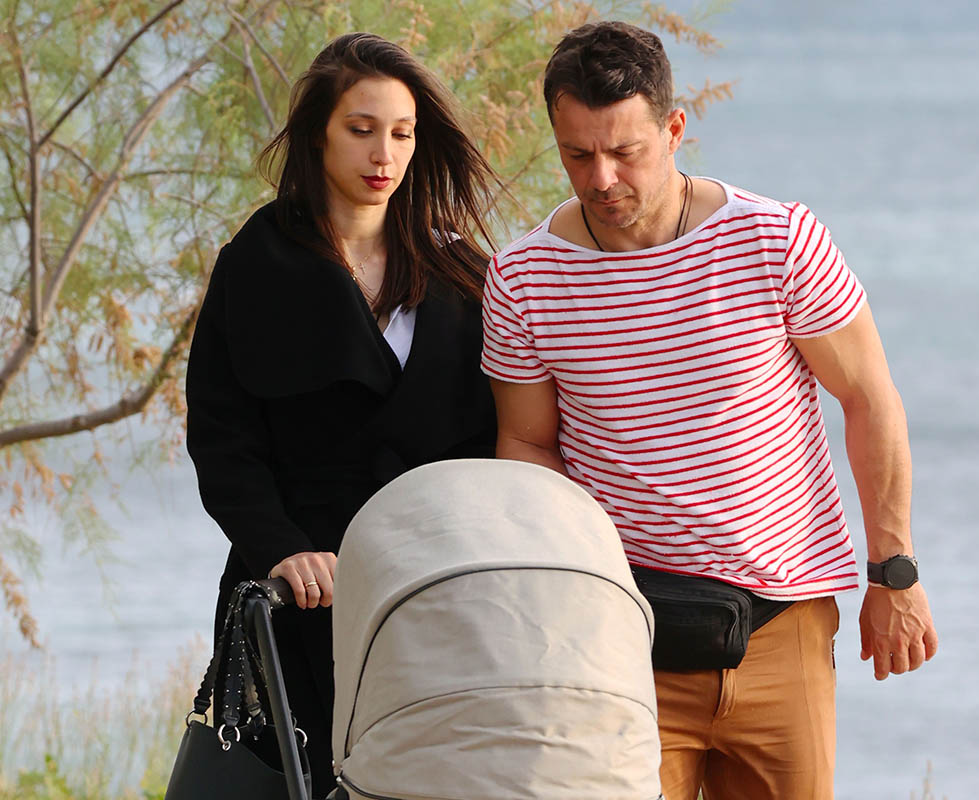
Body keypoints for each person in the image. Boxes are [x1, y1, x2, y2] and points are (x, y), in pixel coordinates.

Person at [481, 20, 938, 800]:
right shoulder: (524, 278)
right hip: (621, 637)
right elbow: (526, 446)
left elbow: (869, 397)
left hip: (782, 630)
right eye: (577, 154)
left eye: (624, 151)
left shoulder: (776, 240)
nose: (600, 178)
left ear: (674, 129)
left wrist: (893, 573)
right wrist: (556, 604)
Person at [186, 32, 498, 797]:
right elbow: (222, 440)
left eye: (401, 133)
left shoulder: (464, 270)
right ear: (319, 134)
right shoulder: (256, 263)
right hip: (301, 596)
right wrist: (280, 550)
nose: (383, 154)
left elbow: (505, 437)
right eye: (361, 130)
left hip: (436, 595)